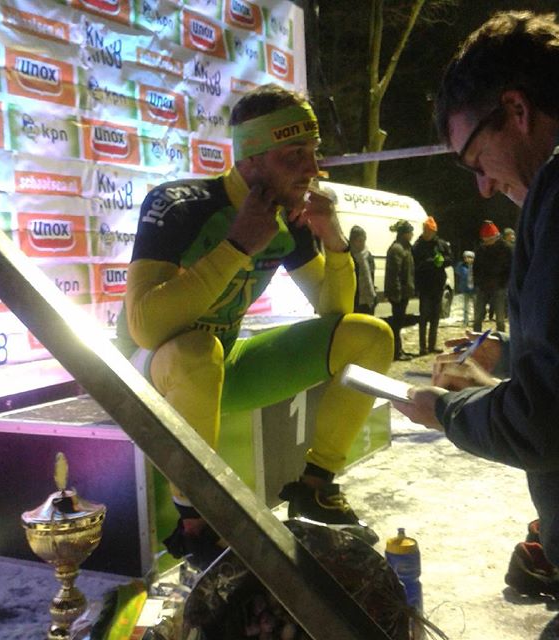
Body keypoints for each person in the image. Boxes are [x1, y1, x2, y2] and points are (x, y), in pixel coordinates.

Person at [117, 83, 394, 569]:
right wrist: (236, 247)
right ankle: (195, 520)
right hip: (152, 374)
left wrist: (331, 240)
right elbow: (145, 327)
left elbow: (337, 316)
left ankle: (314, 487)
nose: (311, 168)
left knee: (370, 335)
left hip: (219, 365)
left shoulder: (290, 217)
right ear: (250, 159)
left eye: (313, 152)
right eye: (293, 155)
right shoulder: (181, 202)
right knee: (198, 352)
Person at [392, 11, 559, 638]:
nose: (484, 187)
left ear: (517, 109)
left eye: (476, 158)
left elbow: (547, 424)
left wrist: (447, 409)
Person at [411, 216, 452, 355]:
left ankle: (432, 345)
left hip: (438, 285)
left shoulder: (441, 244)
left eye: (429, 231)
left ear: (434, 231)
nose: (427, 233)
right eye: (425, 230)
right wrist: (431, 262)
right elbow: (416, 264)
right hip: (424, 286)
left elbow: (450, 259)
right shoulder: (418, 245)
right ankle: (422, 347)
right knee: (423, 317)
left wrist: (443, 260)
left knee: (435, 317)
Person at [472, 220, 512, 333]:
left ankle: (501, 340)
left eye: (489, 240)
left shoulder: (507, 249)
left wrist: (504, 283)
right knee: (478, 316)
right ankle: (476, 340)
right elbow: (476, 268)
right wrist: (477, 282)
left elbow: (511, 268)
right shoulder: (481, 249)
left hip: (499, 286)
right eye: (484, 241)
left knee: (500, 318)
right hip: (483, 286)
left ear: (495, 237)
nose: (486, 243)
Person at [384, 220, 415, 361]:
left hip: (404, 292)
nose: (412, 235)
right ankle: (396, 352)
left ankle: (398, 349)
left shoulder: (406, 248)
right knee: (396, 324)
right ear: (404, 234)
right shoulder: (397, 249)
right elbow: (394, 273)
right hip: (398, 294)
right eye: (410, 232)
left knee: (399, 322)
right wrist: (396, 293)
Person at [349, 225, 377, 314]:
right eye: (359, 241)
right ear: (352, 241)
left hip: (368, 301)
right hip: (354, 301)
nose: (362, 243)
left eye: (364, 240)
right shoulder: (348, 256)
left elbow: (371, 278)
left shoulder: (368, 256)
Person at [454, 250, 475, 327]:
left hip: (475, 289)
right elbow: (457, 274)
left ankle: (476, 321)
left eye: (470, 257)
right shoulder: (461, 266)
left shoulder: (476, 266)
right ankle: (466, 321)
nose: (468, 259)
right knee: (466, 307)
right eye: (466, 257)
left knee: (476, 307)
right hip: (465, 288)